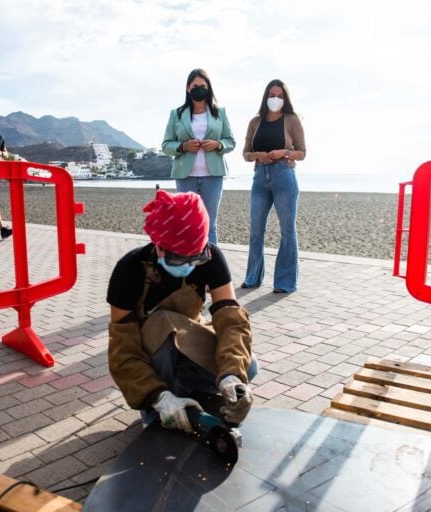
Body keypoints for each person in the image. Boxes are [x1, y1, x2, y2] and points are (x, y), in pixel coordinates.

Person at [107, 189, 257, 434]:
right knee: (162, 324)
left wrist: (232, 375)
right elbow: (122, 349)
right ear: (160, 246)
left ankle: (186, 388)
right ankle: (159, 403)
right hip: (151, 355)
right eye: (181, 260)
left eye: (196, 258)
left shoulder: (211, 257)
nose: (189, 265)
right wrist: (157, 396)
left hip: (186, 340)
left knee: (248, 366)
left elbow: (231, 320)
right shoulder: (129, 270)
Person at [241, 79, 306, 293]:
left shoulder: (292, 120)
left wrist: (284, 153)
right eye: (271, 95)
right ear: (265, 97)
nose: (275, 99)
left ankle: (285, 283)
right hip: (260, 177)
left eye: (279, 96)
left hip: (284, 176)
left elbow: (302, 152)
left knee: (287, 230)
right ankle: (253, 278)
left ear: (285, 98)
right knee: (255, 231)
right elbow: (246, 154)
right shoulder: (255, 121)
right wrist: (257, 155)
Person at [161, 69, 235, 246]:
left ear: (209, 88)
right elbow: (166, 145)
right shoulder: (176, 114)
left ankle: (211, 268)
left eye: (203, 86)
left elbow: (230, 141)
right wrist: (183, 146)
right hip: (186, 176)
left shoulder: (220, 112)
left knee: (210, 225)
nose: (199, 89)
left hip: (213, 176)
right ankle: (189, 269)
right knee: (187, 224)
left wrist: (218, 145)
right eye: (195, 86)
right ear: (188, 88)